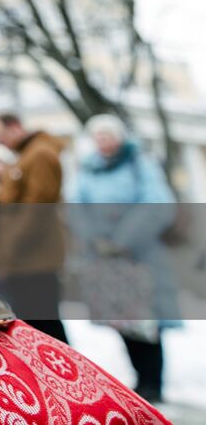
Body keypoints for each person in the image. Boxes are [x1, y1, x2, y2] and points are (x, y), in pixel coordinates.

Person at [68, 114, 179, 404]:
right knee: (121, 319)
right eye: (98, 136)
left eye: (108, 135)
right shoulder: (88, 169)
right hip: (105, 258)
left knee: (147, 320)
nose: (103, 141)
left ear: (119, 137)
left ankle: (153, 381)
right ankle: (139, 379)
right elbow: (77, 207)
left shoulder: (139, 163)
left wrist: (122, 240)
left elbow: (155, 202)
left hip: (138, 255)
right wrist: (96, 239)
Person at [0, 112, 67, 342]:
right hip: (26, 258)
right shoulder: (25, 155)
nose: (0, 142)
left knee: (46, 328)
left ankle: (63, 376)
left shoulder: (39, 154)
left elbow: (37, 208)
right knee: (35, 327)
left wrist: (12, 250)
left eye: (1, 135)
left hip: (34, 258)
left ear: (14, 127)